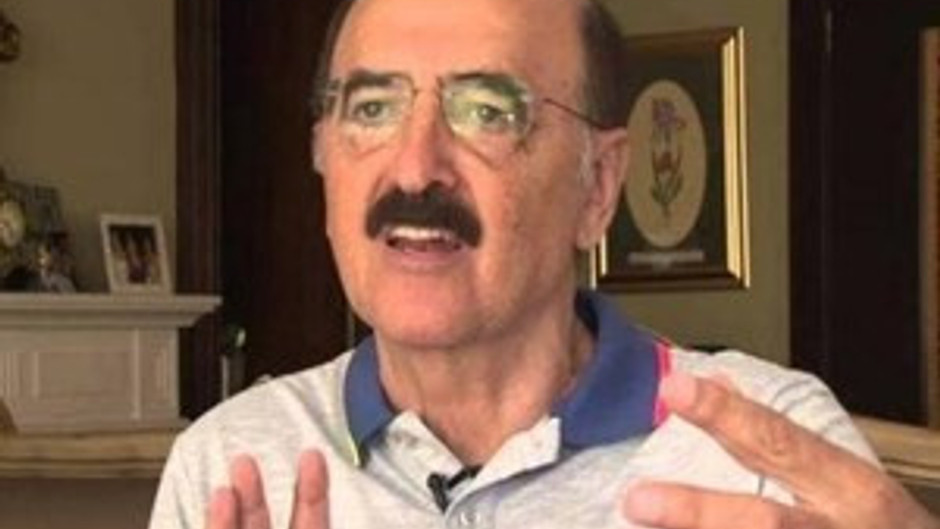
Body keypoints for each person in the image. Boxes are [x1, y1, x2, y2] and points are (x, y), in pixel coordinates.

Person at [149, 0, 940, 527]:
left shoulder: (762, 448)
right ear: (322, 158)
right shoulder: (230, 462)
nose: (416, 167)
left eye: (488, 111)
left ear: (598, 185)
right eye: (373, 108)